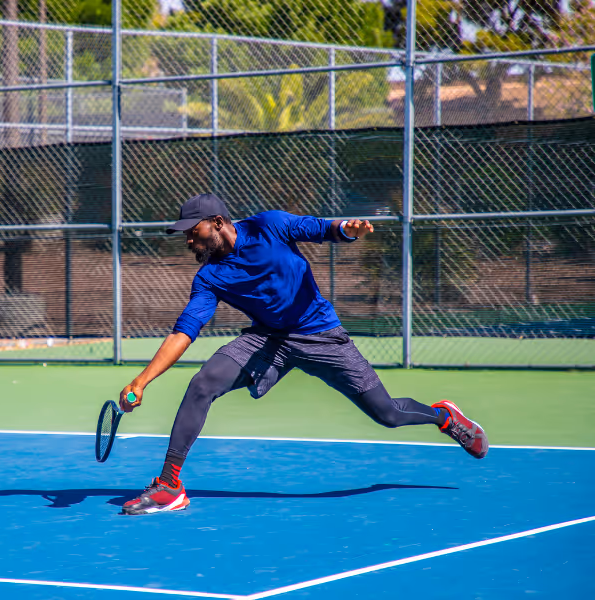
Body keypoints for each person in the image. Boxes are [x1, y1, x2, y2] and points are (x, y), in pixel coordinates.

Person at [118, 193, 488, 516]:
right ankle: (169, 485)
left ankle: (443, 416)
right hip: (268, 339)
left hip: (320, 336)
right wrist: (142, 380)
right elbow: (185, 331)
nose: (187, 239)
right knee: (204, 383)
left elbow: (321, 228)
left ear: (217, 223)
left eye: (191, 230)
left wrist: (349, 229)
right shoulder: (209, 277)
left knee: (387, 414)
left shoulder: (269, 226)